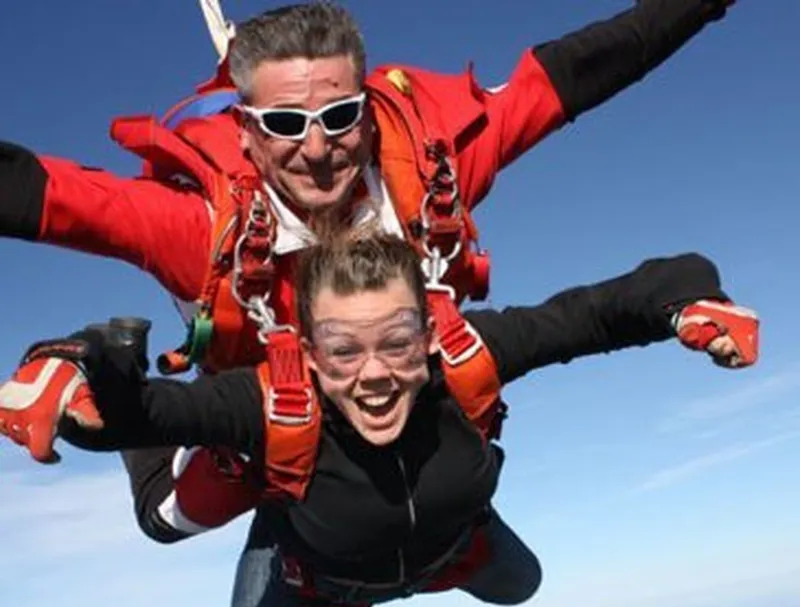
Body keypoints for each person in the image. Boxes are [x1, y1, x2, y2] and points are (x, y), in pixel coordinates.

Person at [0, 0, 739, 542]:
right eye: (286, 124)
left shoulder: (427, 160)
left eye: (340, 115)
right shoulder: (202, 228)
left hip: (386, 370)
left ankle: (436, 543)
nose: (317, 148)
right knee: (170, 520)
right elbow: (47, 196)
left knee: (454, 409)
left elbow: (576, 73)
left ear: (368, 109)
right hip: (265, 397)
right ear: (247, 134)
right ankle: (89, 355)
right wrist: (91, 377)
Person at [0, 233, 759, 607]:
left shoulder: (467, 358)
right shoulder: (270, 404)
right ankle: (279, 513)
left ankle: (427, 544)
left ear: (428, 337)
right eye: (342, 349)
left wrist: (688, 303)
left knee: (521, 585)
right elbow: (132, 418)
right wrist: (76, 364)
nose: (373, 374)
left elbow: (598, 309)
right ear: (307, 350)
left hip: (451, 545)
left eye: (397, 342)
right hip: (324, 578)